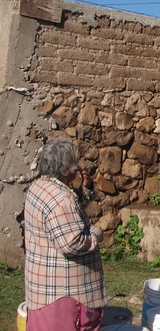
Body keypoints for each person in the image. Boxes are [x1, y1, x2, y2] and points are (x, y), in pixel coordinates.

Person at [24, 139, 107, 331]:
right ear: (66, 169)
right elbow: (72, 244)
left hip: (42, 291)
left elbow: (66, 220)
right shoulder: (61, 199)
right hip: (65, 296)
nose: (78, 167)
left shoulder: (38, 188)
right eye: (74, 163)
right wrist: (97, 232)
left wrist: (83, 189)